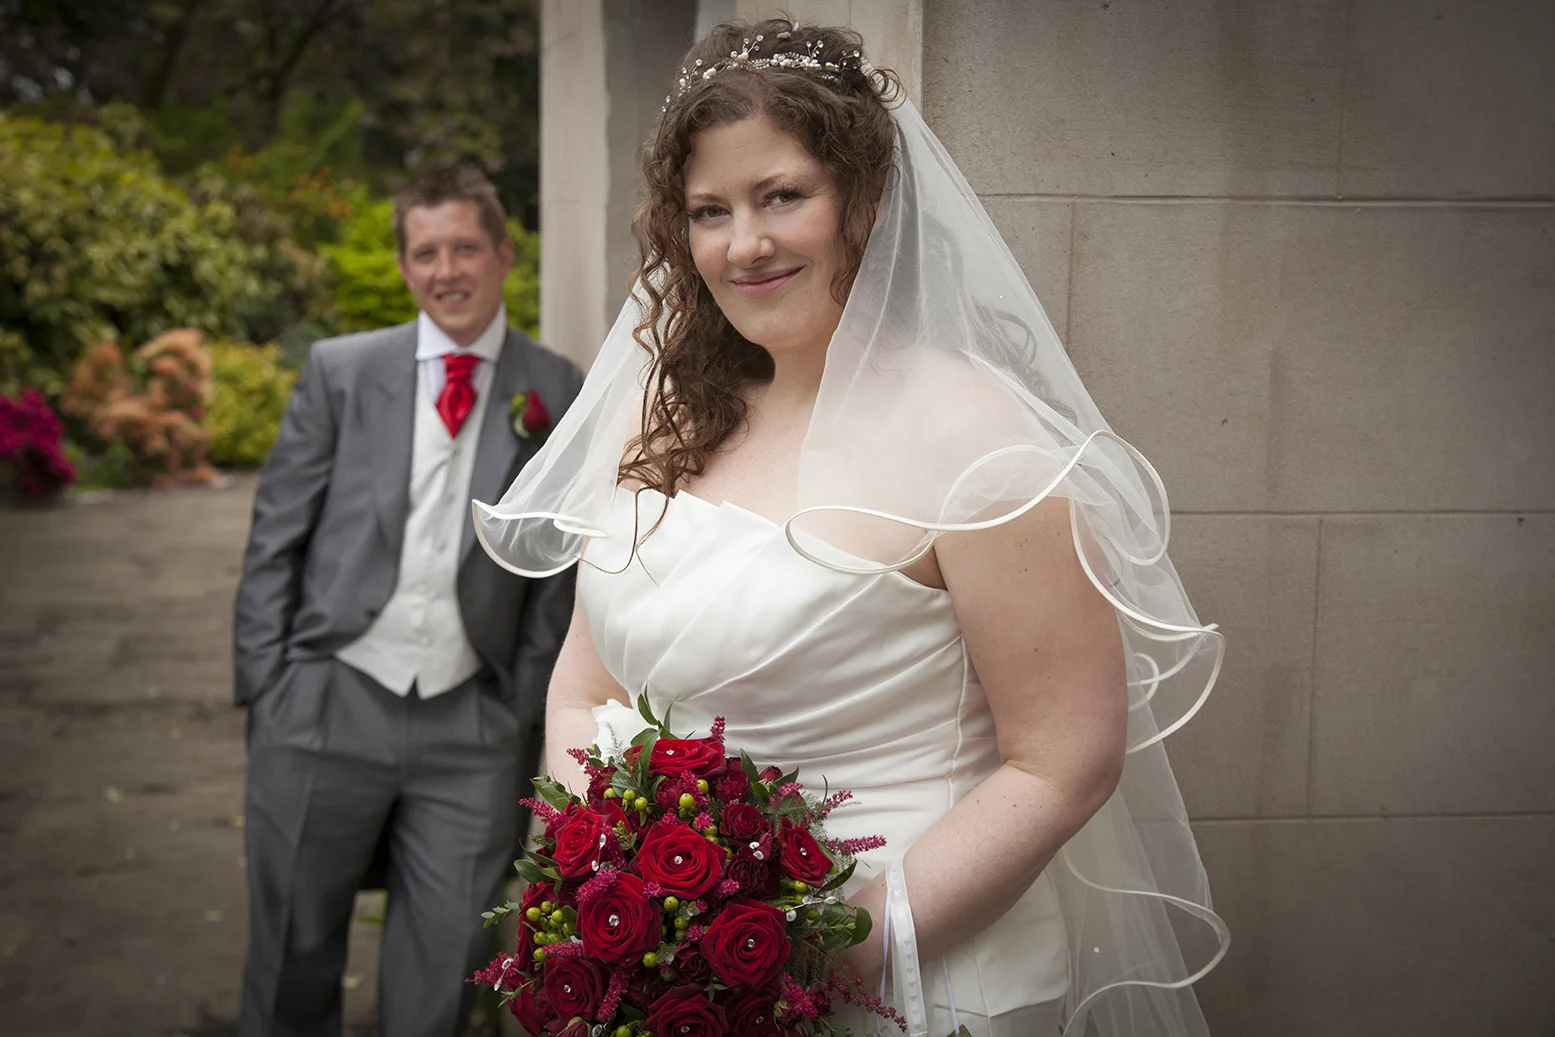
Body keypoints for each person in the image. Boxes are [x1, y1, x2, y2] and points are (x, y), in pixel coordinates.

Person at [475, 19, 1229, 1037]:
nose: (743, 243)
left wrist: (798, 950)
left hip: (910, 980)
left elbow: (1066, 759)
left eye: (780, 194)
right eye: (709, 210)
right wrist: (613, 893)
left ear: (863, 197)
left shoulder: (978, 440)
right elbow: (585, 686)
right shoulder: (661, 410)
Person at [233, 165, 584, 1037]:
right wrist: (267, 687)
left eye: (465, 246)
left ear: (505, 253)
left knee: (443, 974)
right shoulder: (342, 372)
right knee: (290, 954)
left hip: (472, 723)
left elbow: (555, 566)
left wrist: (518, 712)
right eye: (425, 252)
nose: (446, 270)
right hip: (324, 700)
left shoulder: (556, 387)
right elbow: (276, 534)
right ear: (403, 267)